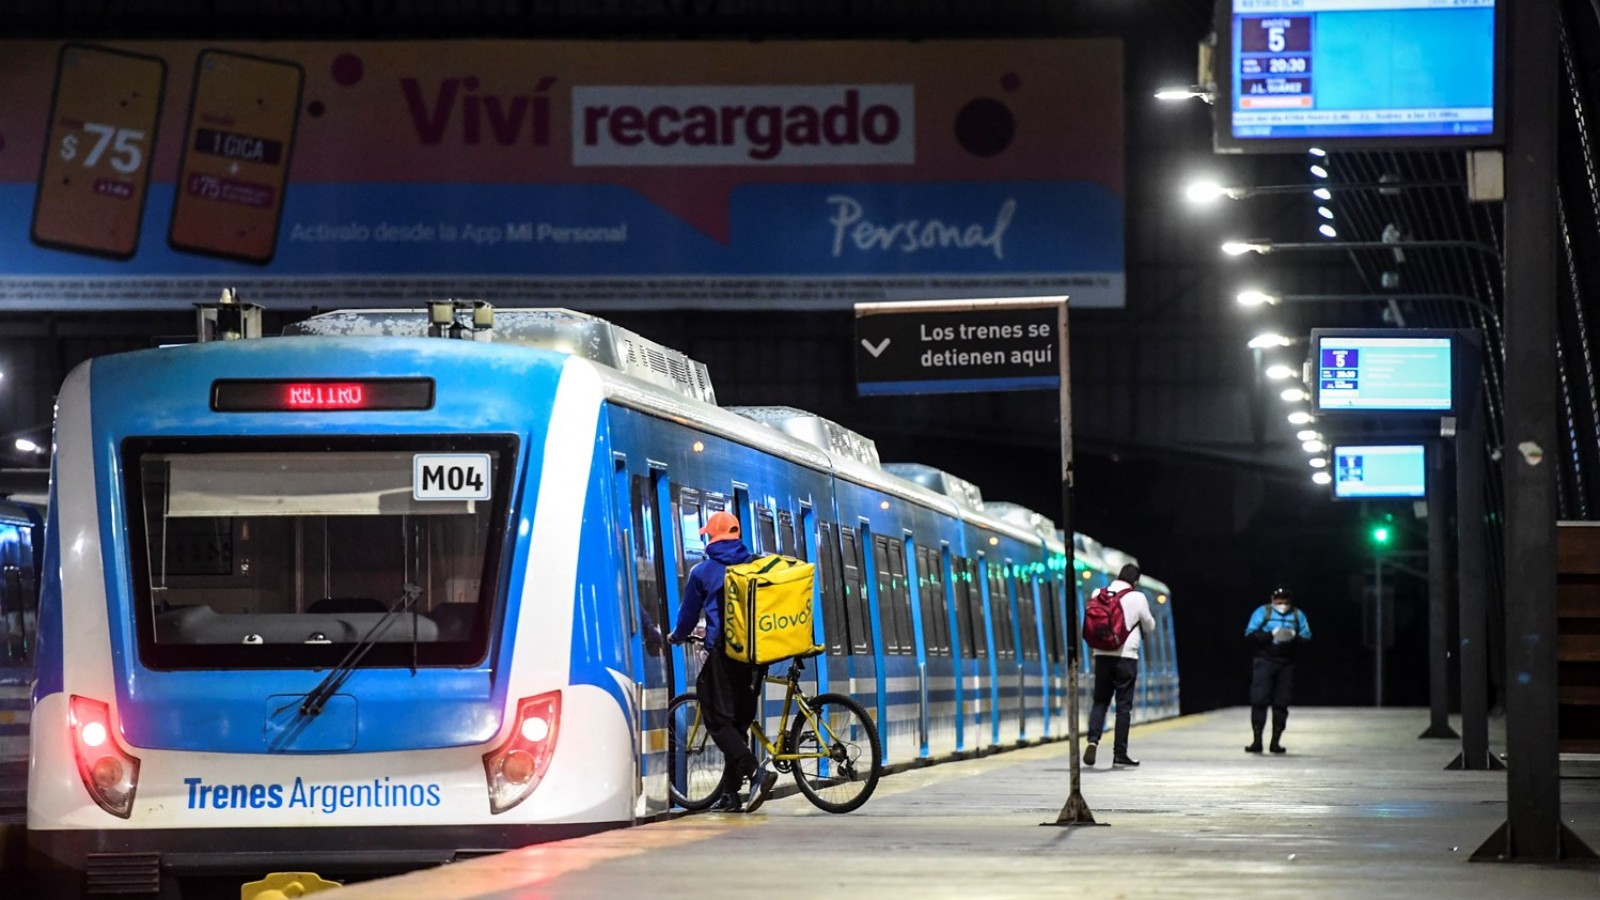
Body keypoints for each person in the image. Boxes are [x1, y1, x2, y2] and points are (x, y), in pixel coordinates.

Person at [668, 511, 779, 812]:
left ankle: (756, 772)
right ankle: (730, 793)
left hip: (724, 654)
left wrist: (676, 636)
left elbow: (689, 615)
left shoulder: (703, 572)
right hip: (756, 656)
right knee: (738, 722)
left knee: (717, 719)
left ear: (712, 537)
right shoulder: (755, 565)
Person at [1084, 562, 1156, 767]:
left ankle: (1093, 740)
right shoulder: (1138, 597)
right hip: (1126, 657)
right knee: (1123, 707)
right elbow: (1149, 626)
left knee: (1100, 701)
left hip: (1101, 655)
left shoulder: (1099, 592)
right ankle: (1119, 753)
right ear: (1135, 581)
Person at [1244, 586, 1313, 754]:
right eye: (1278, 599)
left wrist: (1293, 636)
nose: (1282, 603)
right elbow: (1250, 634)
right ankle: (1257, 740)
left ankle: (1276, 741)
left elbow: (1307, 637)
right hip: (1265, 660)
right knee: (1259, 699)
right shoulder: (1263, 612)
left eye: (1285, 599)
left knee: (1282, 702)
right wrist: (1270, 635)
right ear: (1273, 599)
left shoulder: (1297, 615)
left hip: (1286, 663)